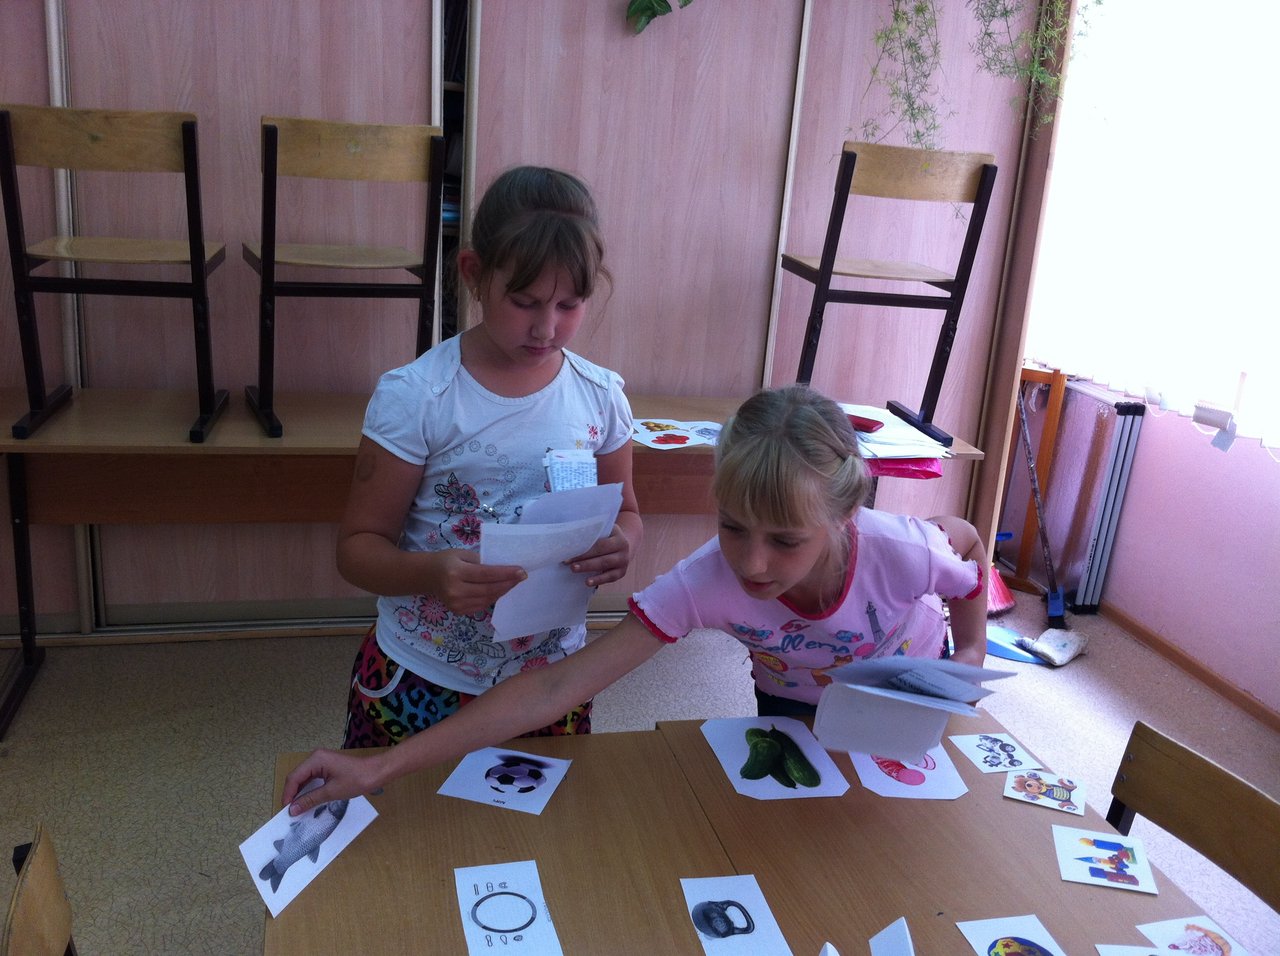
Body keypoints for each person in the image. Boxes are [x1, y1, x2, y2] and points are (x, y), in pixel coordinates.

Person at [284, 384, 988, 812]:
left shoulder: (900, 550)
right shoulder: (707, 581)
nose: (753, 564)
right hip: (794, 697)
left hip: (910, 684)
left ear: (844, 517)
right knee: (815, 810)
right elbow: (553, 687)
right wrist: (381, 763)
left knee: (906, 814)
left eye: (785, 540)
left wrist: (974, 651)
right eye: (732, 528)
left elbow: (969, 550)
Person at [335, 165, 642, 753]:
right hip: (424, 676)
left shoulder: (601, 396)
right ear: (474, 273)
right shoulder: (419, 397)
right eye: (525, 302)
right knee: (404, 806)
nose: (547, 328)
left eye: (569, 304)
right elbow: (357, 548)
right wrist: (433, 572)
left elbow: (626, 511)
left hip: (551, 680)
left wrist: (623, 544)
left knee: (541, 807)